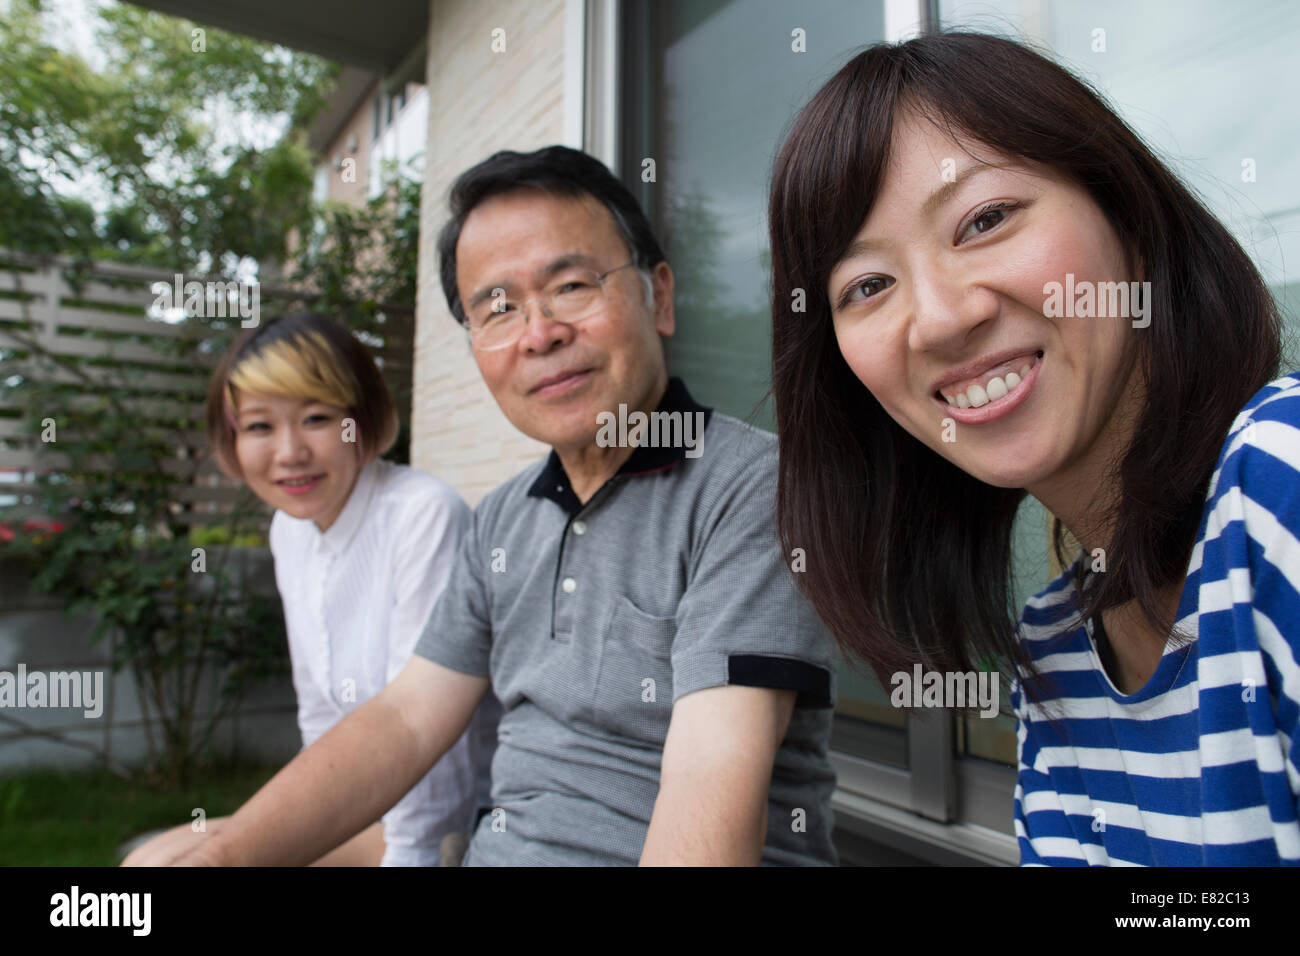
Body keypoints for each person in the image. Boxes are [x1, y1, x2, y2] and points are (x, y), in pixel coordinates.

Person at [166, 145, 839, 867]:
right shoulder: (500, 520)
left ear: (660, 297)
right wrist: (228, 850)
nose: (539, 333)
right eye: (497, 308)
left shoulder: (755, 489)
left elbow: (713, 774)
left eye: (573, 285)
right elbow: (406, 719)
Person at [767, 32, 1298, 865]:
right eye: (867, 286)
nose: (941, 317)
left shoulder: (1282, 475)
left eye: (985, 220)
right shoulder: (1055, 647)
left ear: (1127, 215)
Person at [123, 312, 499, 866]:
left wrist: (407, 861)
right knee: (151, 860)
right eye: (259, 427)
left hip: (462, 819)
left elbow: (435, 737)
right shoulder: (290, 530)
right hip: (371, 809)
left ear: (361, 420)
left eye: (317, 418)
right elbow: (321, 718)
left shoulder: (422, 514)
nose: (290, 452)